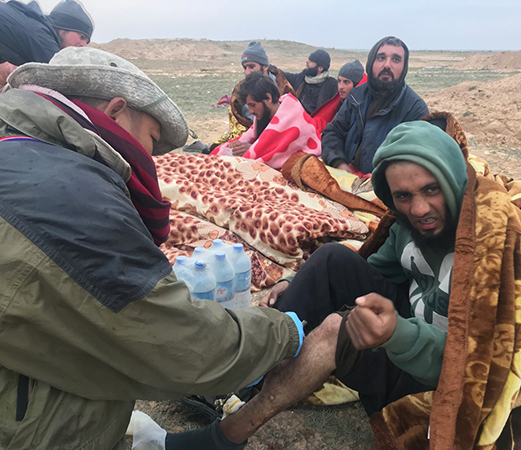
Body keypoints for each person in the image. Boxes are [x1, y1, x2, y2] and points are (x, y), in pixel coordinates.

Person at [192, 120, 521, 449]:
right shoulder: (408, 224)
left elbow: (473, 367)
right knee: (332, 259)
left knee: (335, 331)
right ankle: (245, 372)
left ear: (452, 180)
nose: (419, 209)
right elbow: (371, 268)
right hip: (418, 327)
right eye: (404, 196)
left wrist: (396, 333)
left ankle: (227, 435)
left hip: (456, 379)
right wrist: (298, 281)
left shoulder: (495, 242)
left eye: (431, 189)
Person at [0, 47, 303, 450]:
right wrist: (286, 333)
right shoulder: (75, 199)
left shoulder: (19, 151)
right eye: (151, 139)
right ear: (115, 111)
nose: (149, 158)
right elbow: (183, 347)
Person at [321, 36, 429, 175]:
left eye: (396, 60)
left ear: (404, 67)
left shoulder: (415, 109)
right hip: (345, 175)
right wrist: (339, 163)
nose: (387, 65)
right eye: (381, 58)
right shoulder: (356, 96)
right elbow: (333, 132)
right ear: (371, 62)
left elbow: (415, 160)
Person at [211, 72, 321, 169]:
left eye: (253, 105)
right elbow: (259, 141)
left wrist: (253, 150)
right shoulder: (264, 116)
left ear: (268, 98)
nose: (250, 111)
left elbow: (287, 153)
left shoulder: (293, 116)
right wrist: (237, 148)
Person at [211, 41, 295, 149]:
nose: (247, 72)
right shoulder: (240, 90)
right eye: (245, 68)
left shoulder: (284, 88)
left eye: (251, 66)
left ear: (265, 67)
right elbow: (240, 124)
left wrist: (255, 147)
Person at [0, 0, 93, 83]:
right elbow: (64, 82)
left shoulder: (33, 23)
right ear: (64, 27)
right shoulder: (43, 39)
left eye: (87, 42)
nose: (84, 45)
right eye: (82, 37)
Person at [282, 49, 338, 115]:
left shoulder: (332, 85)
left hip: (318, 123)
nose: (307, 62)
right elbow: (281, 74)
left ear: (320, 68)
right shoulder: (300, 78)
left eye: (311, 61)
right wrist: (267, 66)